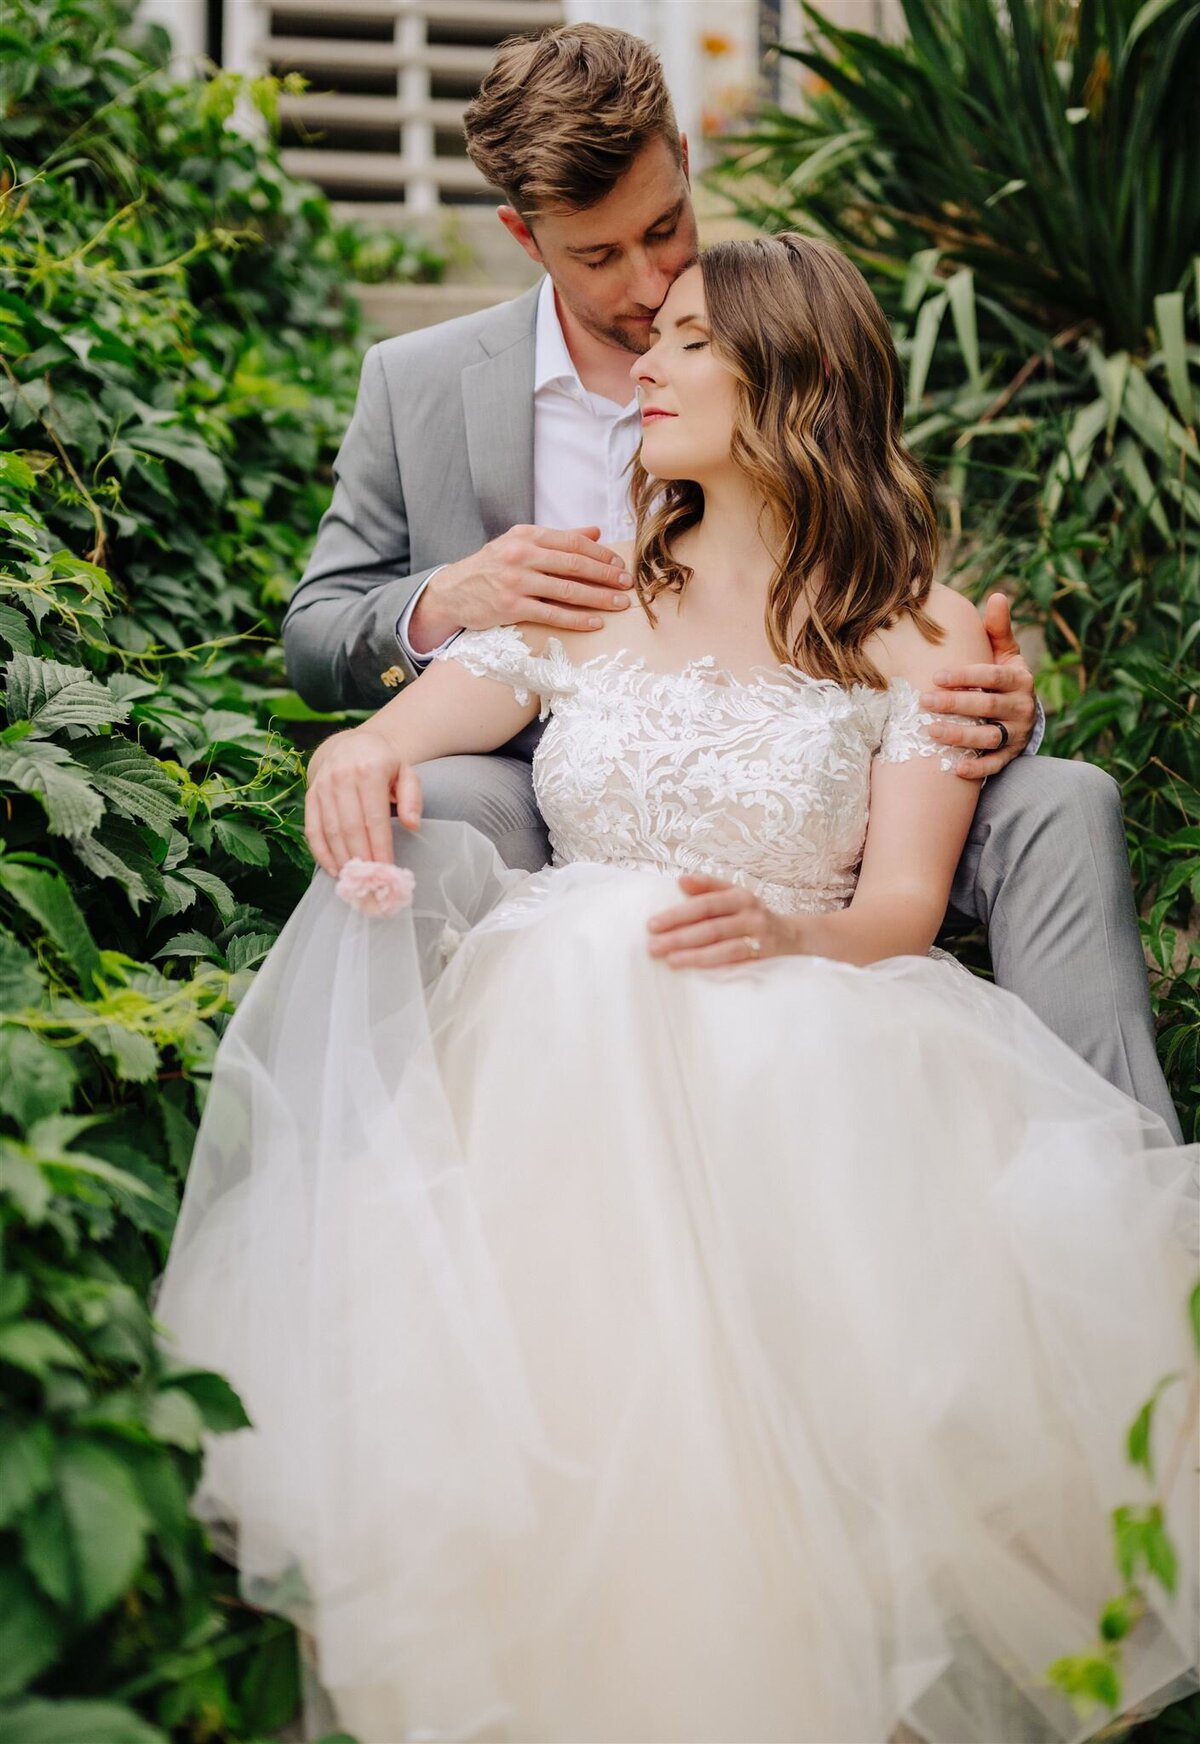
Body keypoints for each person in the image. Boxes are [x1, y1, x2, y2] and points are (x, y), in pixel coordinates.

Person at [157, 235, 1198, 1744]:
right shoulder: (592, 588)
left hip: (803, 1006)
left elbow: (904, 910)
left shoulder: (911, 626)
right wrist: (352, 756)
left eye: (691, 341)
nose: (645, 360)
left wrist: (787, 941)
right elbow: (392, 731)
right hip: (556, 1025)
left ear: (787, 380)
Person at [282, 23, 1181, 1137]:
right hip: (549, 781)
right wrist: (452, 603)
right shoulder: (426, 392)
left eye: (666, 230)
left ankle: (1113, 1168)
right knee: (451, 802)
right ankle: (376, 1136)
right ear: (526, 236)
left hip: (815, 787)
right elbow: (325, 637)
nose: (653, 287)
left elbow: (883, 609)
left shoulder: (782, 310)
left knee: (1065, 798)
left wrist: (990, 708)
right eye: (601, 256)